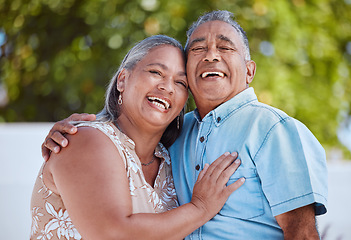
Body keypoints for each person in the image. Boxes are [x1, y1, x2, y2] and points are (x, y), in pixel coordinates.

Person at [42, 10, 328, 239]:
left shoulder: (272, 128)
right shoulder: (174, 138)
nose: (211, 55)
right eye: (198, 48)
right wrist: (74, 136)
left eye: (225, 47)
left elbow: (301, 232)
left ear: (250, 71)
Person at [31, 35, 245, 240]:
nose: (167, 87)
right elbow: (113, 234)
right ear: (122, 80)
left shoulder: (172, 161)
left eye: (181, 83)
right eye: (155, 72)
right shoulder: (84, 139)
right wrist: (200, 208)